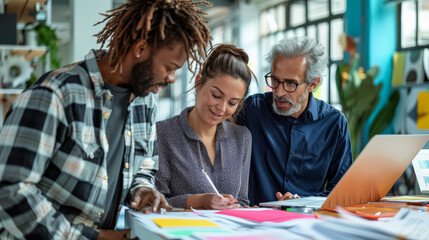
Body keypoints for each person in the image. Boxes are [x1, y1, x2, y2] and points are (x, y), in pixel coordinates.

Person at [0, 0, 211, 239]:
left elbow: (144, 167)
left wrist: (142, 189)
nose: (172, 79)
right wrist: (95, 237)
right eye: (169, 67)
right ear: (140, 48)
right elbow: (10, 189)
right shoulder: (55, 95)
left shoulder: (144, 100)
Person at [237, 36, 353, 206]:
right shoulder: (252, 110)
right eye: (275, 80)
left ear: (313, 84)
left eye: (291, 84)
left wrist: (303, 203)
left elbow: (342, 190)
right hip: (255, 220)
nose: (279, 92)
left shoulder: (334, 124)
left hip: (307, 221)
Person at [155, 44, 254, 210]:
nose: (222, 108)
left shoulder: (242, 137)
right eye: (216, 95)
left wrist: (247, 211)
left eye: (232, 102)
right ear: (198, 82)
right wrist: (197, 202)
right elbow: (154, 202)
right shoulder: (162, 133)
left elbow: (242, 201)